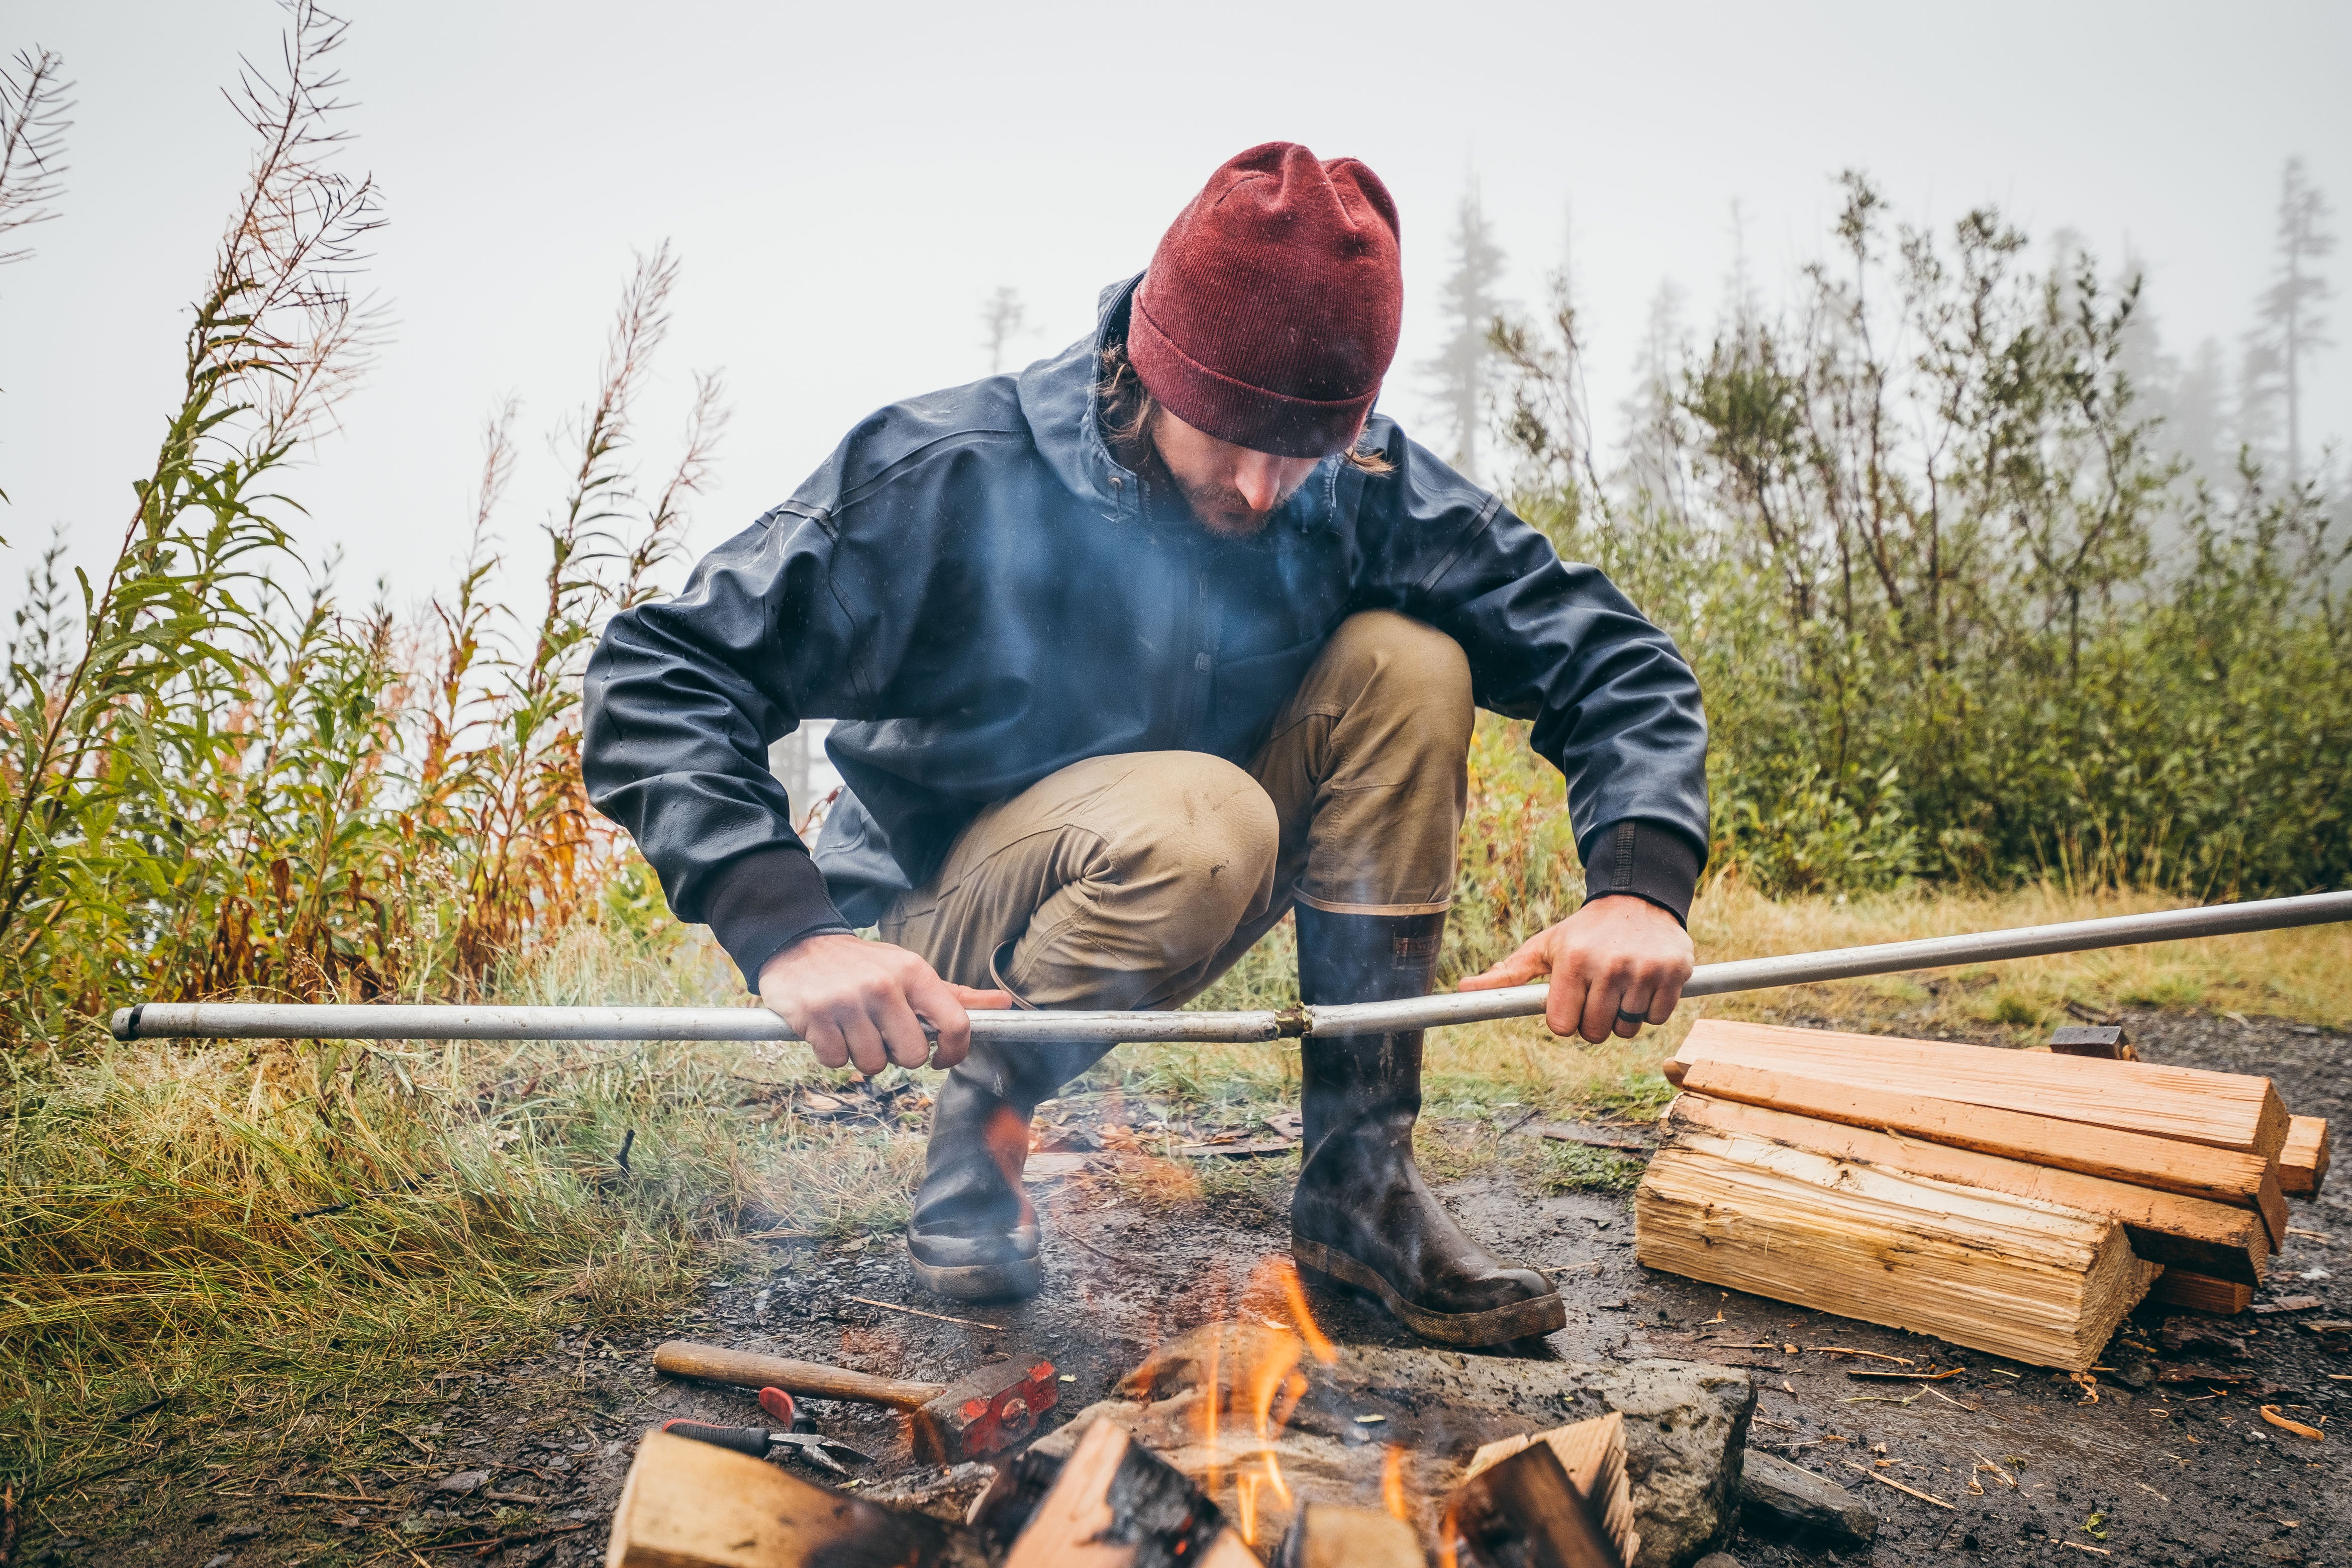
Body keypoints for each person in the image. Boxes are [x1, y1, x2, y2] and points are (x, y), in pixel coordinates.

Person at [583, 143, 1708, 1348]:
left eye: (1308, 447)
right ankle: (986, 1126)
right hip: (940, 925)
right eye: (1232, 434)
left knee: (1412, 663)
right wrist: (793, 932)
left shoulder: (1359, 485)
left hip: (1187, 866)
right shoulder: (955, 474)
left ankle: (1360, 1188)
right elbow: (662, 668)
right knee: (1201, 818)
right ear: (1150, 370)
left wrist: (1639, 888)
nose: (1268, 489)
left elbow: (1612, 657)